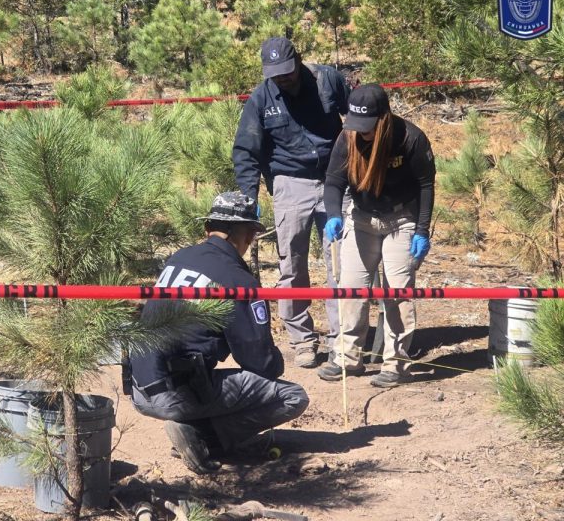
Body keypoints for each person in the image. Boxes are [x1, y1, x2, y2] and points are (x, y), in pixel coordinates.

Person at [128, 192, 309, 474]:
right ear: (247, 235)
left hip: (139, 388)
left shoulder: (179, 257)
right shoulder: (237, 280)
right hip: (176, 393)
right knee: (293, 397)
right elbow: (258, 361)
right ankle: (203, 438)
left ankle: (193, 428)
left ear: (207, 229)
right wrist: (276, 362)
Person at [232, 36, 351, 368]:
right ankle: (302, 340)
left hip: (334, 178)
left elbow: (357, 117)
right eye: (276, 74)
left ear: (298, 61)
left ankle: (343, 339)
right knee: (292, 265)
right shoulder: (261, 99)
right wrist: (248, 196)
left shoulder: (328, 80)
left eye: (287, 71)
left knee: (339, 262)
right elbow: (246, 150)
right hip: (289, 182)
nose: (283, 78)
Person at [317, 83, 436, 388]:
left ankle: (395, 363)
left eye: (367, 126)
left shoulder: (410, 138)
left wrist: (422, 230)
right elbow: (333, 181)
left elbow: (426, 185)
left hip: (402, 219)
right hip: (361, 219)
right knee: (351, 289)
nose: (361, 131)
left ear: (383, 118)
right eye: (356, 125)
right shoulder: (348, 138)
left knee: (397, 292)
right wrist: (333, 214)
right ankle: (347, 359)